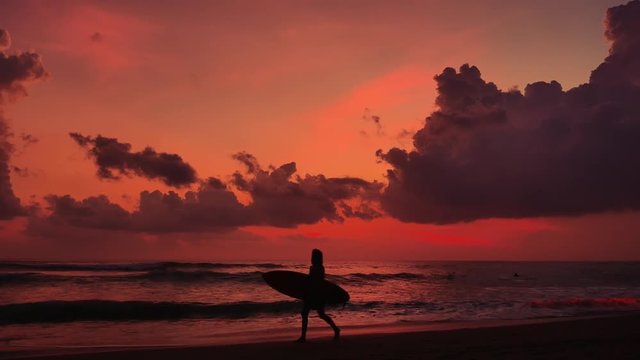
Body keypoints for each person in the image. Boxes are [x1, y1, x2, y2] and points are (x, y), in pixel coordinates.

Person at [296, 249, 340, 343]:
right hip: (315, 294)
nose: (311, 257)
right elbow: (309, 280)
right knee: (317, 314)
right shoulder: (313, 267)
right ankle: (335, 329)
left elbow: (317, 282)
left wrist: (308, 293)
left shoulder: (319, 268)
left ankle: (303, 337)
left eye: (313, 255)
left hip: (316, 294)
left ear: (316, 257)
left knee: (309, 313)